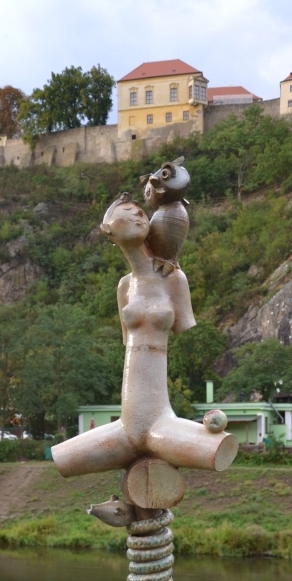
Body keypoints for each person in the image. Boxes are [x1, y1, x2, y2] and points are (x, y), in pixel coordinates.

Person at [51, 194, 237, 477]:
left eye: (141, 212)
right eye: (128, 210)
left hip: (160, 421)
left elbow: (187, 329)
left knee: (218, 446)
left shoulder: (174, 278)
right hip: (127, 426)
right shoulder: (124, 287)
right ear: (107, 229)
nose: (139, 215)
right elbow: (127, 339)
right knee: (64, 458)